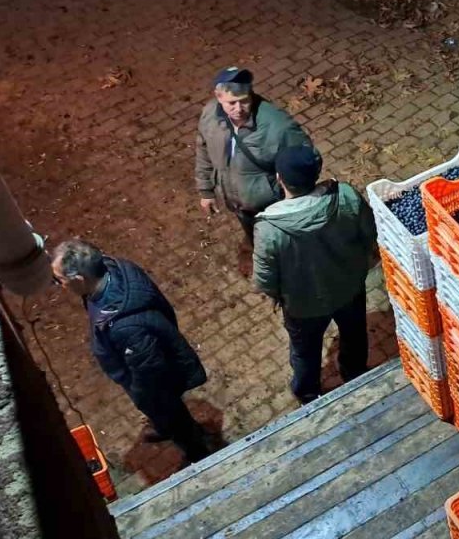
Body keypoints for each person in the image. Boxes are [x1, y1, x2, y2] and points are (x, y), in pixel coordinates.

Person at [51, 240, 211, 464]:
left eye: (59, 280)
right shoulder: (117, 268)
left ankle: (197, 452)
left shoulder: (127, 329)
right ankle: (169, 426)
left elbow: (149, 374)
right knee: (167, 413)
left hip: (154, 383)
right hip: (151, 359)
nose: (59, 285)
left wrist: (139, 395)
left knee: (170, 412)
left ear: (79, 280)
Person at [253, 145, 378, 405]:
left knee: (305, 351)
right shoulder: (345, 196)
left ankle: (308, 391)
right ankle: (353, 371)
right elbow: (369, 234)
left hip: (302, 306)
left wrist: (280, 296)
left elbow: (264, 281)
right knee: (354, 334)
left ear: (279, 179)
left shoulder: (268, 229)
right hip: (349, 288)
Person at [195, 66, 314, 277]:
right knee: (250, 229)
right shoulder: (210, 116)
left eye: (245, 100)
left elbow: (308, 159)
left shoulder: (277, 125)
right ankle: (254, 248)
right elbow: (203, 149)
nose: (239, 108)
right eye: (232, 102)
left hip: (273, 204)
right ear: (218, 97)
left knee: (285, 239)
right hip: (237, 201)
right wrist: (206, 190)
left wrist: (292, 194)